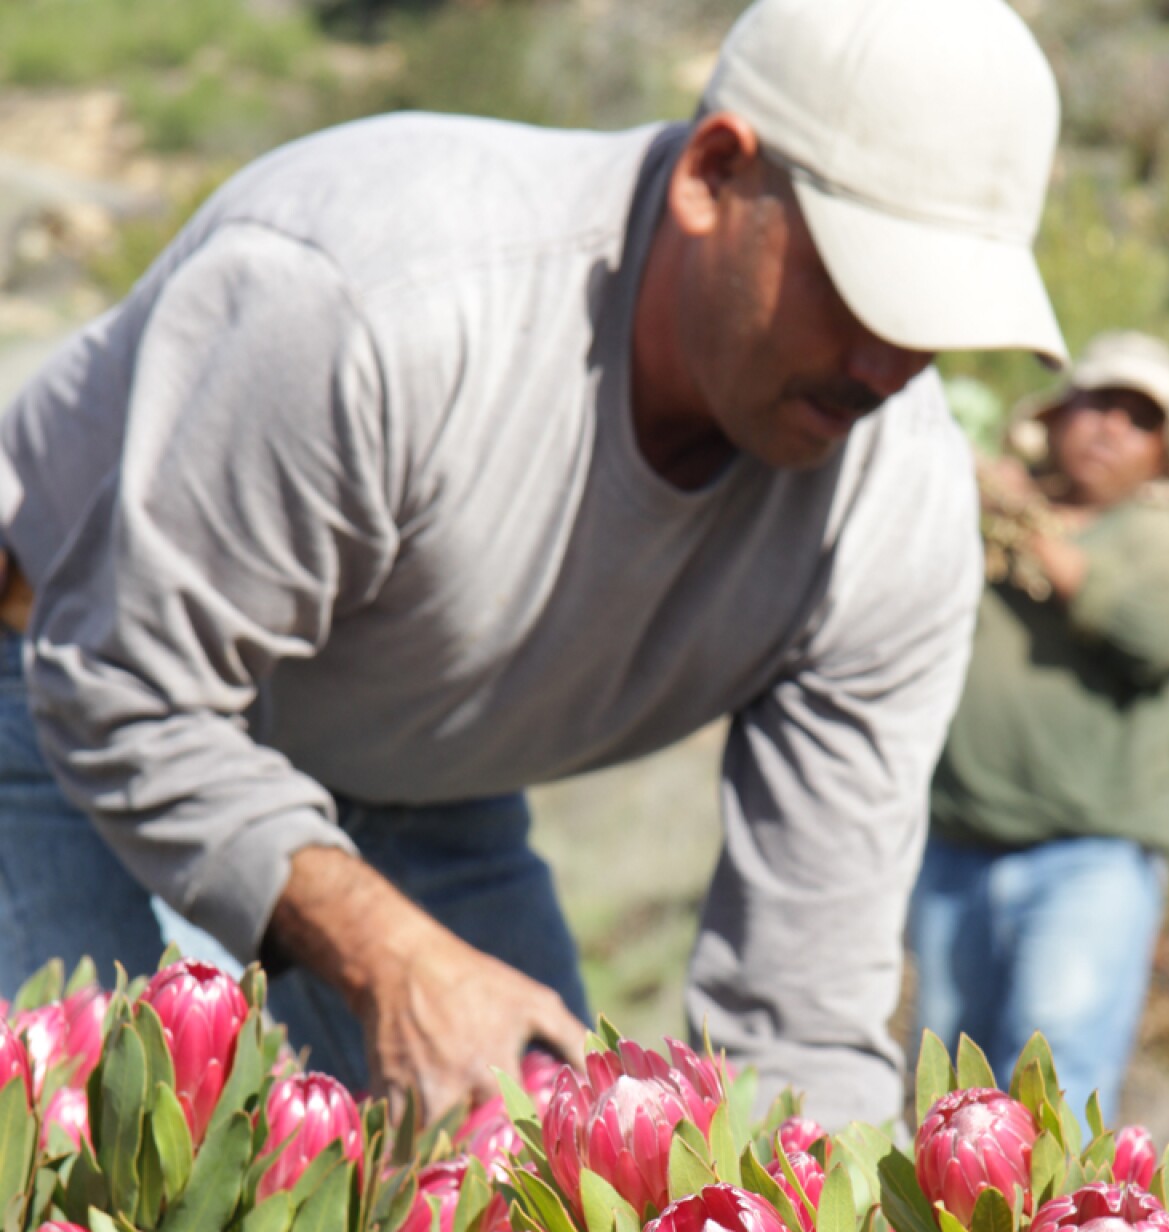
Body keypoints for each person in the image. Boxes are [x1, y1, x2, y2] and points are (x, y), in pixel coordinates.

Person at [0, 0, 1067, 1130]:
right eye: (868, 288)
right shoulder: (373, 303)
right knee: (70, 1155)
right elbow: (123, 687)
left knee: (546, 1181)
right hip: (50, 688)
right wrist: (388, 956)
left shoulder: (894, 506)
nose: (887, 363)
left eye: (940, 316)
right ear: (714, 174)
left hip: (417, 783)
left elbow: (798, 1014)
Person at [908, 331, 1169, 1124]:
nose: (1109, 428)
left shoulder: (1164, 540)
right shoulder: (971, 518)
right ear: (1054, 415)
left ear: (1164, 453)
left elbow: (1150, 633)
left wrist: (1015, 511)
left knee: (1056, 1091)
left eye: (1137, 419)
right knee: (950, 1104)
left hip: (1087, 862)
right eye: (1095, 405)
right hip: (952, 852)